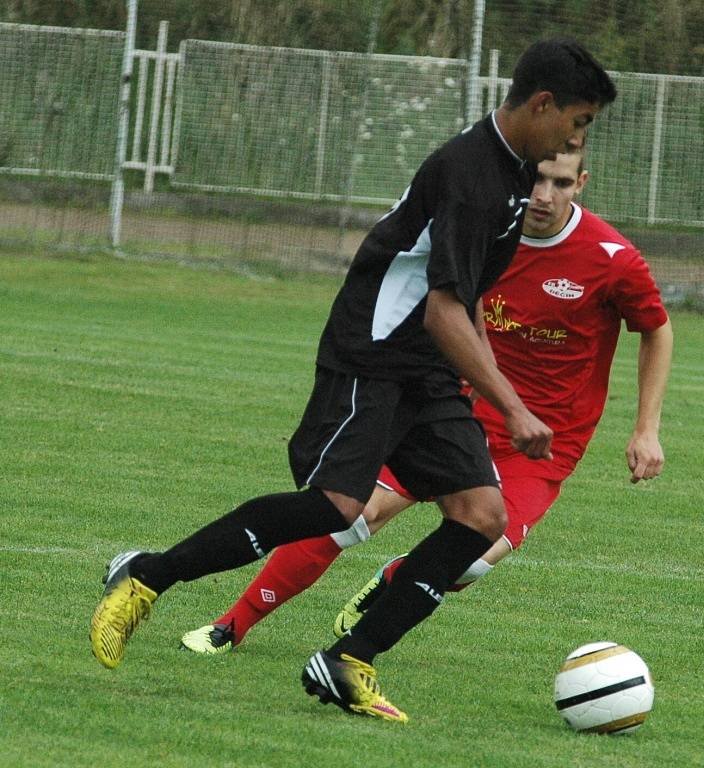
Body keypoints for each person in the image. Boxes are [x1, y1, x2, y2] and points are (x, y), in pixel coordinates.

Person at [90, 37, 617, 724]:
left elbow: (466, 300)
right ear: (542, 104)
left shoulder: (513, 174)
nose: (575, 138)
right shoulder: (472, 177)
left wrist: (477, 388)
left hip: (427, 368)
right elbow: (442, 307)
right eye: (576, 122)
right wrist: (511, 407)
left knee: (480, 518)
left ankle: (349, 658)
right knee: (337, 507)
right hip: (371, 354)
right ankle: (148, 576)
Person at [180, 148, 672, 657]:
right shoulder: (483, 231)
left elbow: (657, 329)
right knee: (351, 512)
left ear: (582, 183)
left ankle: (394, 582)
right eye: (538, 180)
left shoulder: (612, 258)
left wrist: (646, 428)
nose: (545, 196)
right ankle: (230, 625)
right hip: (453, 414)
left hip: (543, 445)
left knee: (473, 555)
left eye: (562, 183)